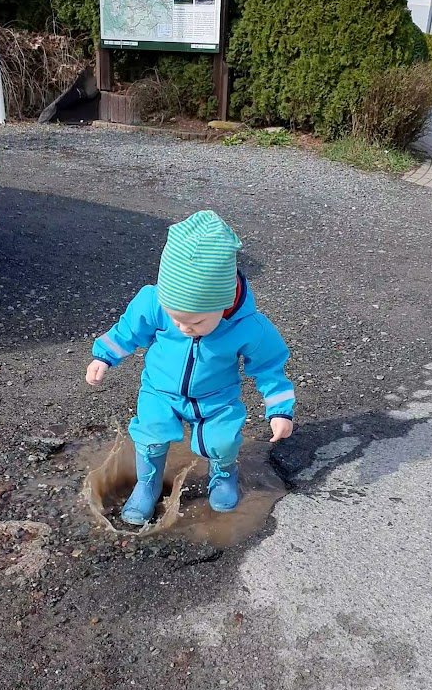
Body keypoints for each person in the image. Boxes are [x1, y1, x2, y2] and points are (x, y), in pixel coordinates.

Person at [86, 210, 295, 525]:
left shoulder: (249, 326)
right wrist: (103, 357)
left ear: (223, 303)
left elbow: (269, 367)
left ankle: (222, 473)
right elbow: (128, 330)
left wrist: (279, 410)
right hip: (160, 390)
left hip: (216, 397)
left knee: (222, 440)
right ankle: (148, 483)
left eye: (195, 322)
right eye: (175, 319)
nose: (184, 328)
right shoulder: (155, 302)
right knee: (150, 434)